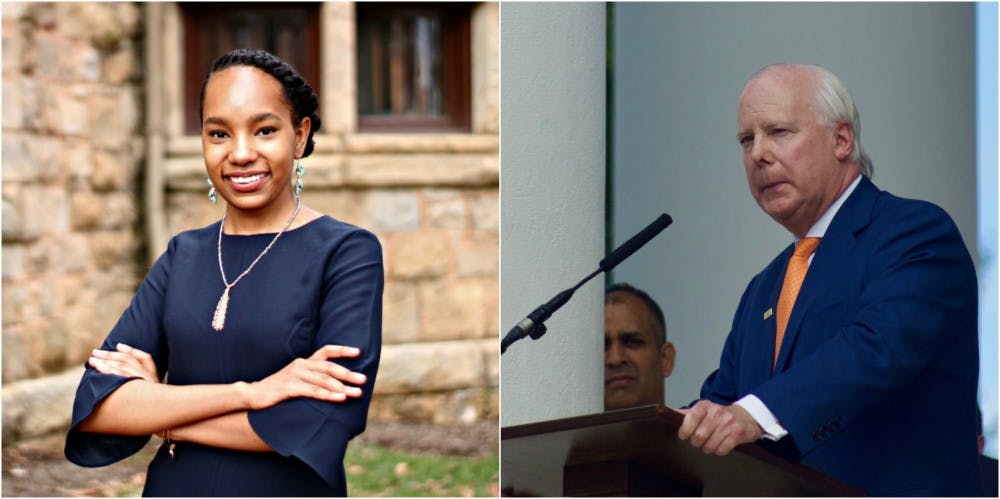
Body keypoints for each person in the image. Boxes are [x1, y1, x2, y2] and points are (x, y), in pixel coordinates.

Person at [64, 48, 383, 496]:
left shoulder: (347, 253)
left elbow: (321, 424)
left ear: (299, 135)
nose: (240, 153)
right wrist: (250, 394)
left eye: (265, 130)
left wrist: (164, 415)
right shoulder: (183, 254)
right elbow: (98, 407)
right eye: (218, 134)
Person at [677, 64, 981, 495]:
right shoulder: (764, 287)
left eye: (779, 132)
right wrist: (678, 430)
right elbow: (725, 403)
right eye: (747, 139)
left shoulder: (913, 233)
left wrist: (755, 415)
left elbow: (874, 350)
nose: (758, 154)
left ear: (842, 140)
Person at [604, 283, 675, 410]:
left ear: (665, 359)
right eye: (603, 347)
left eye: (632, 342)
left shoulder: (709, 430)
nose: (615, 359)